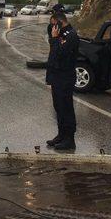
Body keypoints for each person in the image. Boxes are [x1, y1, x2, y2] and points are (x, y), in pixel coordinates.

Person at [45, 11, 78, 150]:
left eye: (54, 24)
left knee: (66, 108)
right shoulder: (61, 35)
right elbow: (52, 57)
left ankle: (69, 139)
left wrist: (54, 39)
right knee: (58, 107)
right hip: (57, 76)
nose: (52, 28)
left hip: (65, 77)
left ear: (59, 22)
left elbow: (59, 54)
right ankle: (61, 135)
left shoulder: (70, 36)